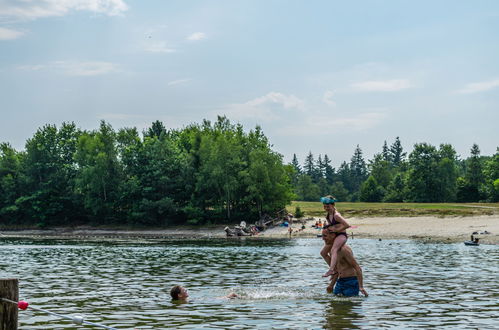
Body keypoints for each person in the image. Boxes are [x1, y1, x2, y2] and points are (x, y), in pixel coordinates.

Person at [322, 229, 368, 297]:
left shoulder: (344, 250)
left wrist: (361, 286)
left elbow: (358, 268)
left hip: (351, 281)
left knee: (349, 304)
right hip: (340, 281)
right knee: (334, 305)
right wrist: (331, 285)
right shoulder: (332, 251)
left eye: (325, 236)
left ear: (333, 235)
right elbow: (336, 270)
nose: (322, 238)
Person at [320, 195, 351, 278]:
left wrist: (337, 230)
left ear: (333, 205)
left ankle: (331, 270)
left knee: (334, 249)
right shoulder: (328, 215)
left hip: (341, 235)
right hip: (334, 235)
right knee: (323, 253)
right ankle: (335, 269)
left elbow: (347, 225)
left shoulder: (336, 215)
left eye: (328, 206)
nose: (326, 208)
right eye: (325, 206)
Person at [170, 285, 238, 302]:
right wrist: (226, 297)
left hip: (211, 299)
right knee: (232, 295)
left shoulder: (189, 301)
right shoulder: (188, 302)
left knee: (232, 295)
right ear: (179, 295)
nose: (186, 291)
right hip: (213, 300)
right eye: (184, 290)